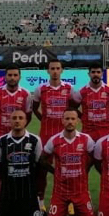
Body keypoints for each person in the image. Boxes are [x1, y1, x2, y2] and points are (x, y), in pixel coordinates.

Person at [0, 65, 33, 216]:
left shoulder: (26, 94)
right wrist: (0, 132)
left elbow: (27, 116)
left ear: (19, 77)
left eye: (15, 75)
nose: (12, 78)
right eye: (9, 75)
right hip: (0, 138)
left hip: (19, 138)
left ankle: (18, 203)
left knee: (20, 171)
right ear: (5, 77)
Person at [32, 60, 80, 199]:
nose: (54, 71)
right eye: (52, 68)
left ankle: (70, 200)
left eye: (57, 68)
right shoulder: (40, 89)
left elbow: (73, 109)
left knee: (69, 169)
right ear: (47, 71)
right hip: (46, 134)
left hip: (65, 135)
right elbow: (34, 108)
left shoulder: (69, 88)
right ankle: (40, 202)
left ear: (62, 71)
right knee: (42, 169)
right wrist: (44, 119)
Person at [42, 110, 96, 216]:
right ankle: (62, 215)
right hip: (60, 192)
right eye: (67, 119)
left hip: (80, 190)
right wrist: (54, 171)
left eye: (72, 119)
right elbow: (42, 159)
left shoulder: (86, 139)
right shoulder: (54, 140)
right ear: (62, 121)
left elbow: (95, 157)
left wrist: (86, 168)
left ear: (77, 121)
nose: (70, 122)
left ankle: (79, 214)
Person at [0, 110, 46, 216]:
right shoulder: (1, 141)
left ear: (26, 121)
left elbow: (39, 165)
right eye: (14, 118)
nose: (17, 120)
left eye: (21, 118)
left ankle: (34, 212)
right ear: (10, 121)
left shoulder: (35, 140)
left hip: (28, 192)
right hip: (8, 193)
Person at [78, 65, 109, 140]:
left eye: (98, 72)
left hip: (105, 131)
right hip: (88, 131)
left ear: (102, 74)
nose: (96, 74)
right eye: (93, 72)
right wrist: (82, 117)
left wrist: (108, 117)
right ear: (89, 74)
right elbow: (73, 107)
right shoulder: (82, 92)